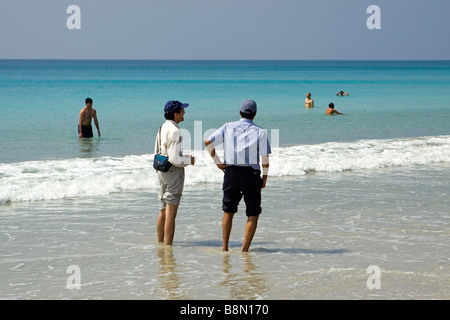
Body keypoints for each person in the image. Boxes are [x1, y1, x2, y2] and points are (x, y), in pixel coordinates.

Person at [205, 99, 271, 252]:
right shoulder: (260, 132)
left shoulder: (228, 126)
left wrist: (217, 162)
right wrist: (265, 179)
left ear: (240, 112)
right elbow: (265, 159)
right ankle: (244, 250)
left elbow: (208, 141)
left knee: (228, 210)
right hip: (251, 174)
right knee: (253, 213)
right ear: (254, 114)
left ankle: (225, 248)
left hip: (231, 172)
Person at [156, 100, 195, 246]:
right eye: (182, 110)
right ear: (176, 114)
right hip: (172, 172)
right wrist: (188, 160)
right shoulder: (175, 131)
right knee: (171, 212)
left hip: (161, 170)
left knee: (162, 210)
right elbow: (175, 159)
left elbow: (158, 151)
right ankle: (168, 248)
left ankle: (160, 243)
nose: (184, 113)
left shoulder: (162, 127)